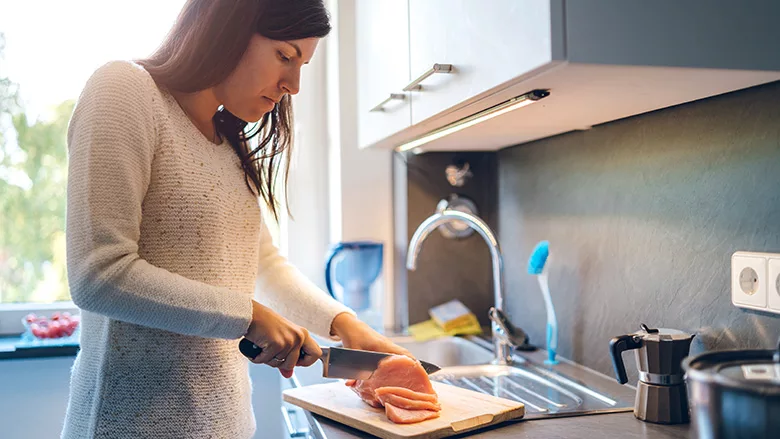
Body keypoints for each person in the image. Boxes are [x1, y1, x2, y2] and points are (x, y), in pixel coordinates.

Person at [61, 1, 410, 437]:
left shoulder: (229, 145)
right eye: (285, 56)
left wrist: (346, 324)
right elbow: (99, 274)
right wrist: (248, 316)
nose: (294, 85)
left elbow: (262, 265)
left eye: (302, 64)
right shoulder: (124, 90)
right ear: (226, 27)